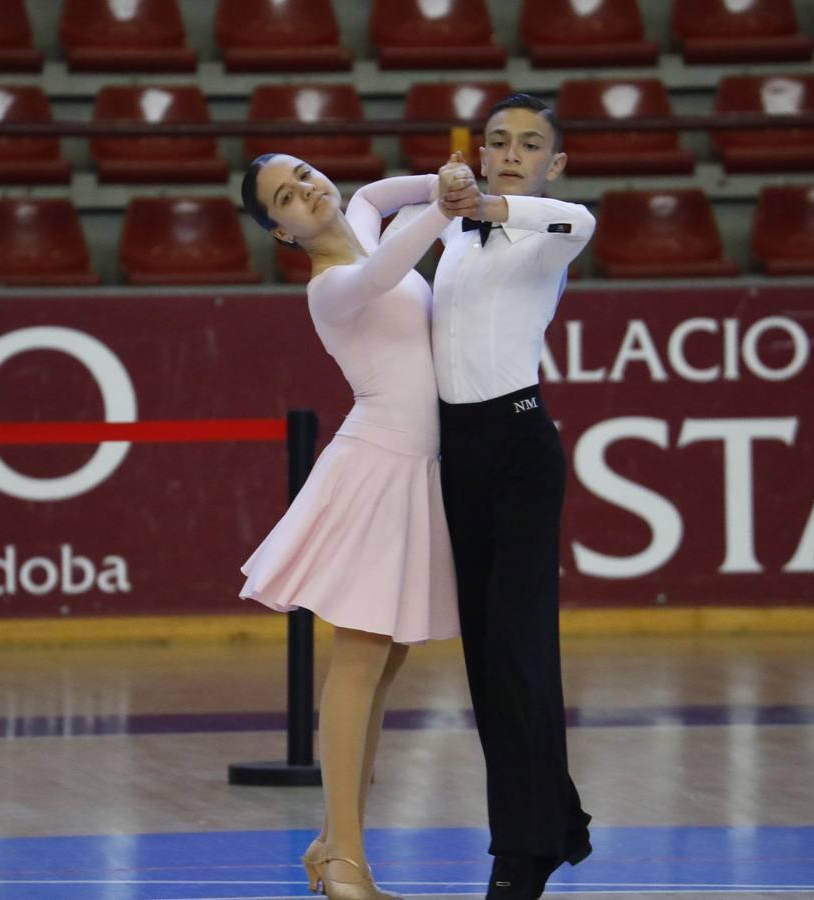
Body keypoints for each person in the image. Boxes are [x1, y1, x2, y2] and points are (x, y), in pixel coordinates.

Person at [367, 93, 597, 900]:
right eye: (497, 141)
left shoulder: (554, 226)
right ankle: (556, 819)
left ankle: (522, 853)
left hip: (520, 449)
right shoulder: (453, 233)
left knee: (519, 654)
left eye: (528, 144)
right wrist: (443, 192)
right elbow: (370, 212)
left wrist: (490, 199)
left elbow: (570, 221)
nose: (510, 152)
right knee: (488, 662)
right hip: (458, 452)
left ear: (553, 163)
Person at [238, 154, 478, 900]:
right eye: (287, 198)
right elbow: (382, 275)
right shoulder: (332, 287)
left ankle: (335, 842)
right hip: (378, 468)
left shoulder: (367, 223)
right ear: (282, 232)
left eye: (304, 174)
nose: (307, 190)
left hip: (415, 468)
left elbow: (374, 194)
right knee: (363, 654)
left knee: (389, 655)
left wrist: (452, 179)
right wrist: (445, 205)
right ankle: (344, 860)